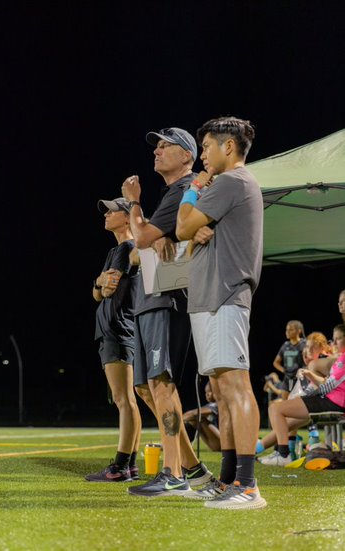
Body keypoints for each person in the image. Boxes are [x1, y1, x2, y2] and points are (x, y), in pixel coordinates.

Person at [176, 116, 266, 509]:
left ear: (228, 147)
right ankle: (229, 478)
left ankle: (247, 485)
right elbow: (192, 233)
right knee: (224, 392)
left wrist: (194, 189)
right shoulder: (230, 185)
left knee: (235, 387)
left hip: (226, 294)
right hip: (212, 296)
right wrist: (197, 228)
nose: (203, 158)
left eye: (207, 148)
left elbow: (181, 226)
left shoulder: (231, 181)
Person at [121, 127, 212, 497]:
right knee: (145, 386)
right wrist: (156, 235)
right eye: (155, 146)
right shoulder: (172, 193)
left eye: (165, 146)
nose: (157, 151)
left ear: (188, 156)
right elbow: (138, 249)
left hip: (167, 297)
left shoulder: (185, 186)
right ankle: (192, 468)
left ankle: (173, 473)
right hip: (150, 297)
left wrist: (134, 205)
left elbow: (139, 238)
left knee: (160, 382)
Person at [85, 197, 142, 482]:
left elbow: (107, 290)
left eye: (111, 210)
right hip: (115, 330)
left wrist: (100, 283)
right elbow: (97, 291)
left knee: (123, 399)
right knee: (127, 399)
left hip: (118, 330)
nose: (106, 214)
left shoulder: (127, 248)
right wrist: (99, 282)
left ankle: (120, 466)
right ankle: (129, 464)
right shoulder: (115, 250)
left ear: (126, 215)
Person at [261, 324, 345, 466]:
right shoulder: (340, 358)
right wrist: (309, 377)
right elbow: (329, 382)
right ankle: (280, 451)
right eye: (334, 339)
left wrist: (310, 394)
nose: (334, 342)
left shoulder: (342, 360)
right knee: (280, 412)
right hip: (331, 400)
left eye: (338, 339)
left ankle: (283, 454)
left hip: (333, 402)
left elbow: (329, 386)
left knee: (276, 409)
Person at [273, 320, 306, 399]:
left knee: (298, 404)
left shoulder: (304, 344)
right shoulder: (285, 345)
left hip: (300, 379)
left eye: (291, 330)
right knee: (285, 403)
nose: (287, 332)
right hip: (287, 379)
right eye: (286, 330)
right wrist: (284, 371)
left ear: (299, 331)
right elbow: (276, 363)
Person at [183, 381, 220, 452]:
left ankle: (177, 443)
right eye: (206, 392)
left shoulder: (218, 404)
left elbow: (193, 413)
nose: (207, 394)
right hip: (215, 443)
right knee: (195, 420)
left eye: (210, 391)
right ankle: (181, 444)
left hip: (223, 443)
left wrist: (178, 421)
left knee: (199, 418)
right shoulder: (211, 405)